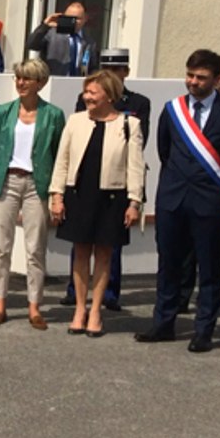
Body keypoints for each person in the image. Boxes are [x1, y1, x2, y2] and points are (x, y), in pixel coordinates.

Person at [137, 49, 220, 353]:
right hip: (173, 199)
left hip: (211, 202)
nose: (193, 82)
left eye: (201, 78)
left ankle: (203, 331)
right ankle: (163, 323)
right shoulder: (173, 110)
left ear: (216, 79)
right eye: (190, 75)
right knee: (169, 264)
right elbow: (165, 151)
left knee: (210, 270)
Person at [50, 71, 144, 337]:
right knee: (80, 252)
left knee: (104, 255)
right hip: (78, 194)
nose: (87, 97)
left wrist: (134, 202)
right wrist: (56, 196)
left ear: (110, 96)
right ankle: (79, 309)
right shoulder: (76, 121)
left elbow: (135, 167)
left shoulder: (129, 125)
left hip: (111, 198)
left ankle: (96, 311)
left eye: (93, 92)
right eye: (86, 92)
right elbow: (62, 160)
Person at [0, 59, 65, 329]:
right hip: (7, 180)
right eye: (18, 78)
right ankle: (0, 304)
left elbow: (57, 154)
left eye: (27, 79)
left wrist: (57, 192)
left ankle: (34, 307)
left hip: (37, 183)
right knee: (1, 246)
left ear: (40, 83)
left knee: (35, 247)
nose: (20, 83)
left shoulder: (53, 114)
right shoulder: (3, 112)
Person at [25, 1, 98, 77]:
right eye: (70, 18)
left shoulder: (89, 41)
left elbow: (92, 67)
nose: (74, 22)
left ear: (85, 19)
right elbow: (31, 45)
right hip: (54, 81)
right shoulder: (51, 35)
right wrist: (45, 26)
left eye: (78, 18)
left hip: (77, 83)